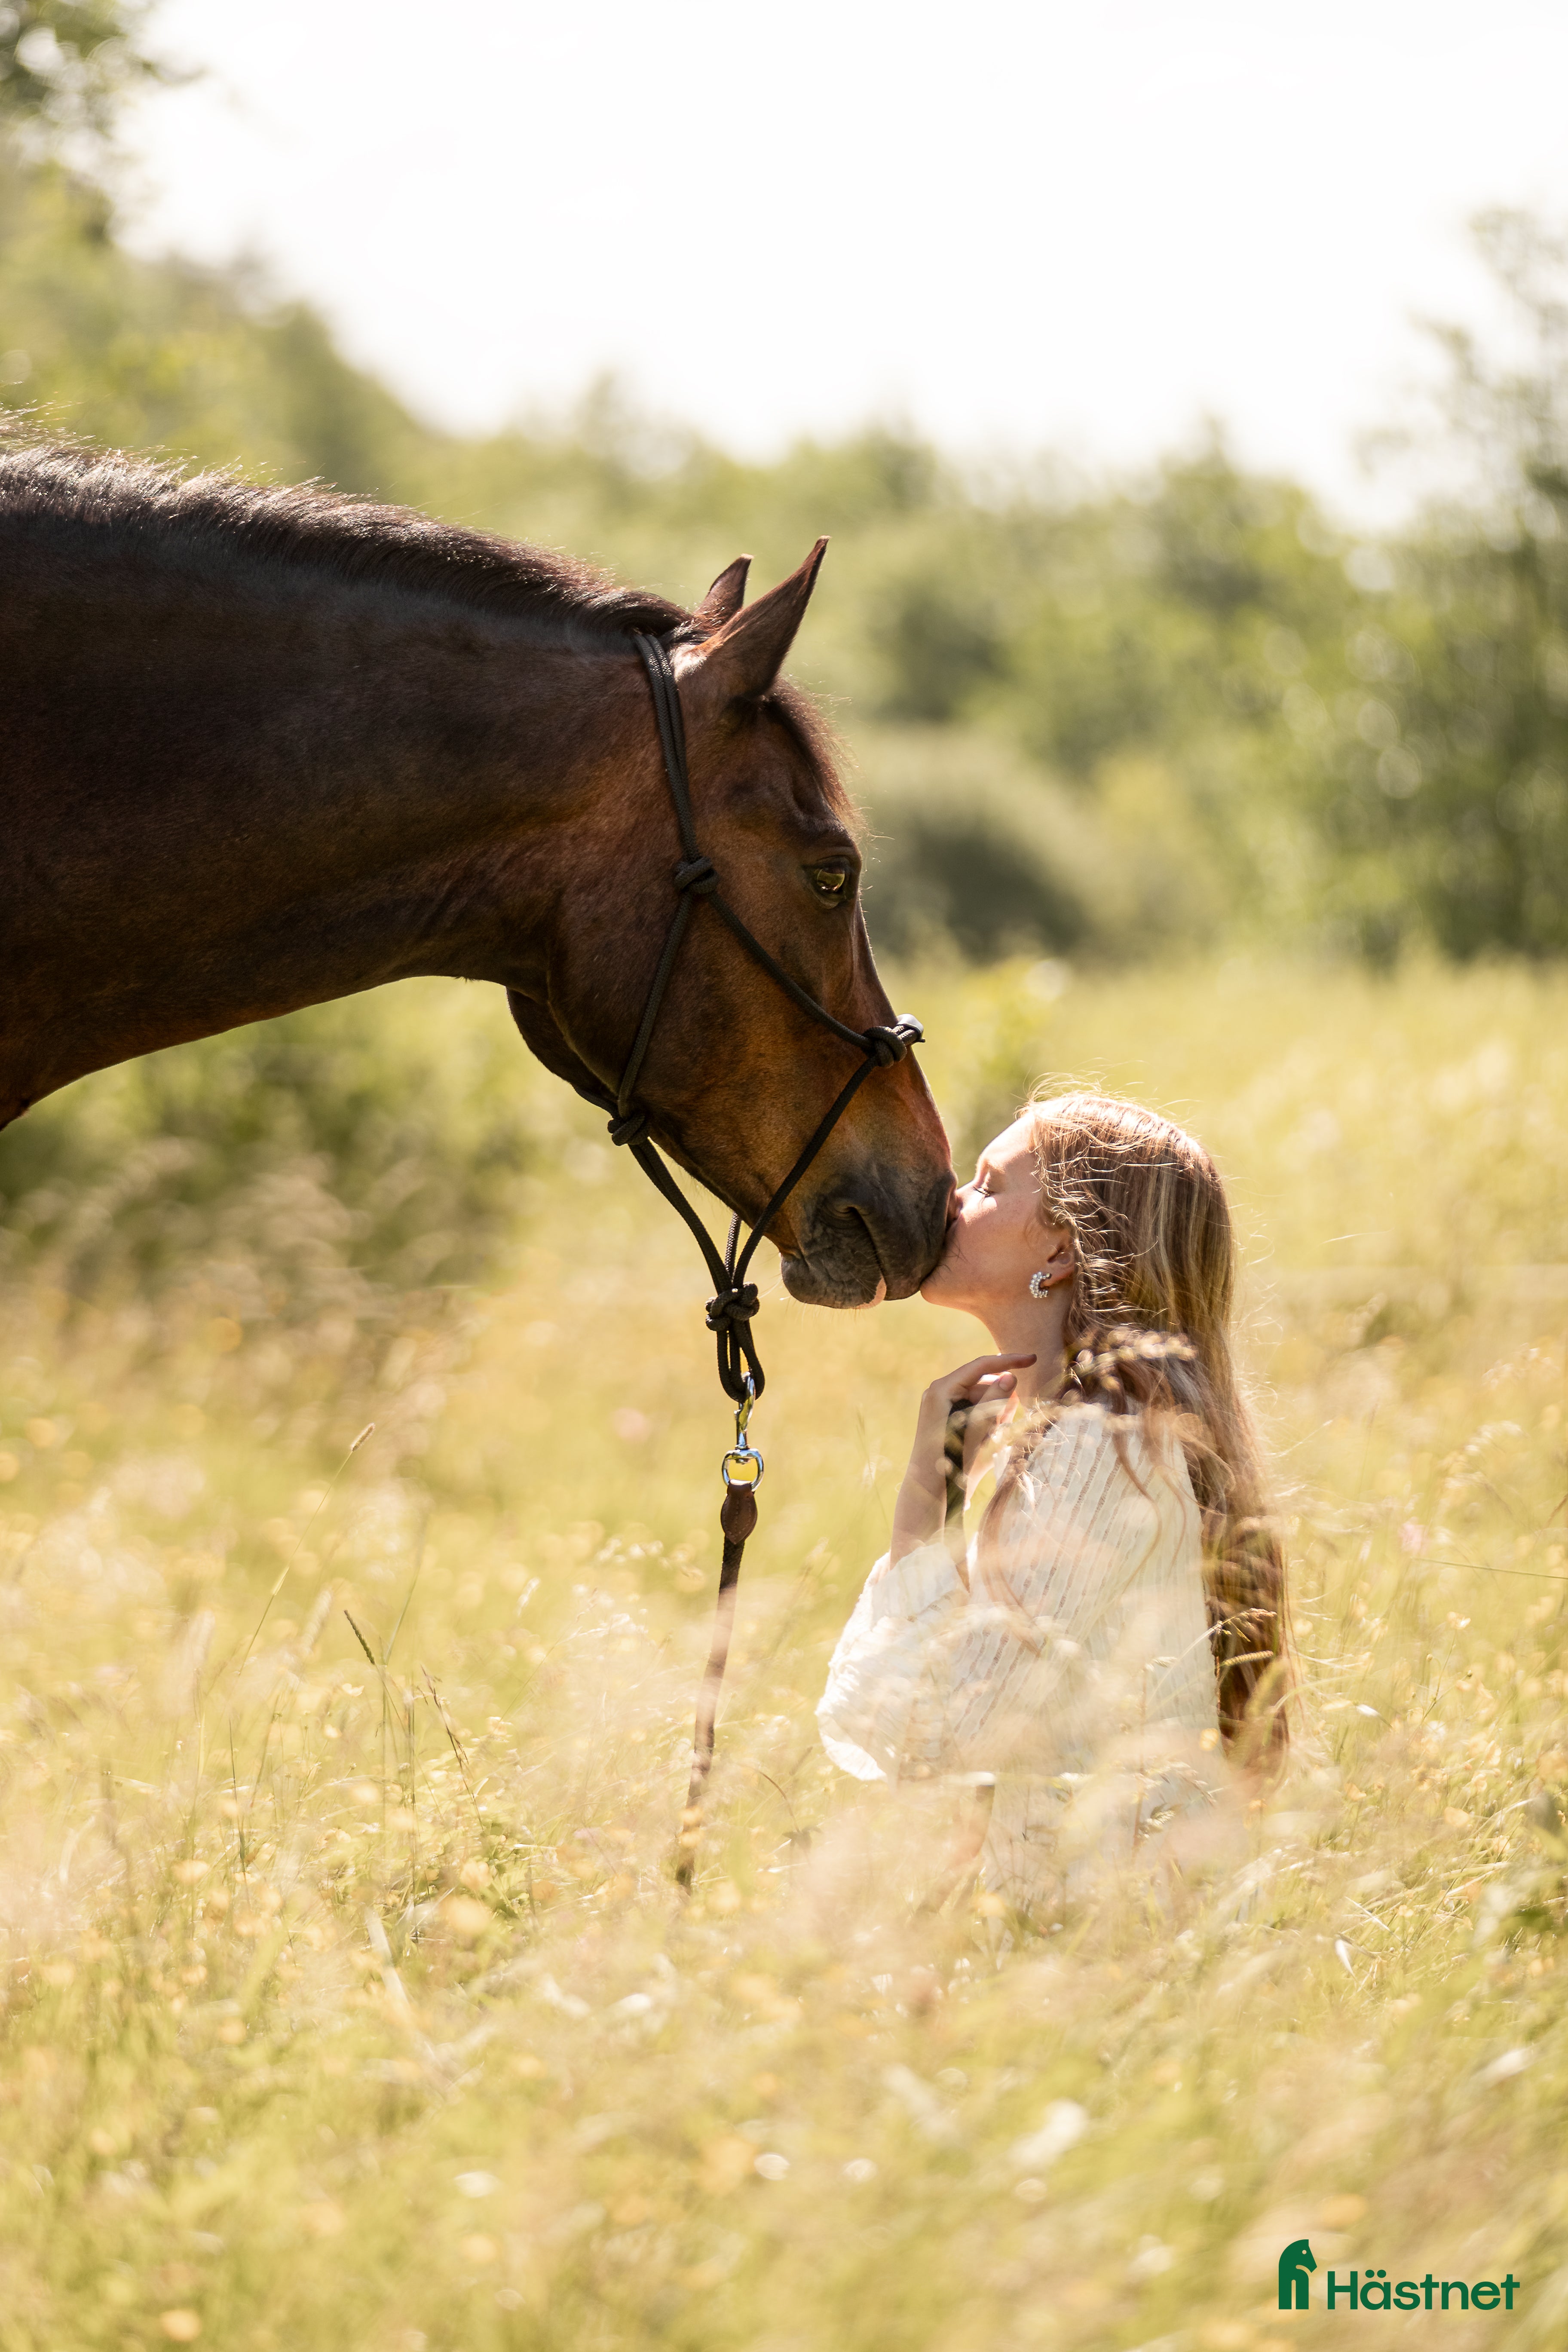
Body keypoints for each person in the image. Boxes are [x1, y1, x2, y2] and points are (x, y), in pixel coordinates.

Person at [817, 1090, 1289, 1910]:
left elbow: (951, 1737)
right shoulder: (1080, 1434)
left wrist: (920, 1511)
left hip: (1099, 1946)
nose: (953, 1199)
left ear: (1064, 1249)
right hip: (1081, 1935)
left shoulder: (1096, 1448)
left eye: (990, 1185)